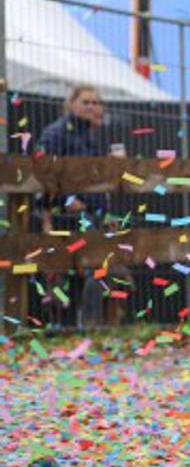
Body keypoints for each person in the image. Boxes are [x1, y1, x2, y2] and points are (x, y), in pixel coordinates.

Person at [33, 85, 122, 327]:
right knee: (62, 275)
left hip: (91, 218)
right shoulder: (55, 133)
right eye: (86, 102)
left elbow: (96, 185)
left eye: (96, 102)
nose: (92, 107)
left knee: (105, 269)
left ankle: (91, 326)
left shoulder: (92, 137)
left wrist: (106, 215)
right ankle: (62, 329)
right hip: (63, 219)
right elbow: (42, 176)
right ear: (71, 104)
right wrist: (64, 205)